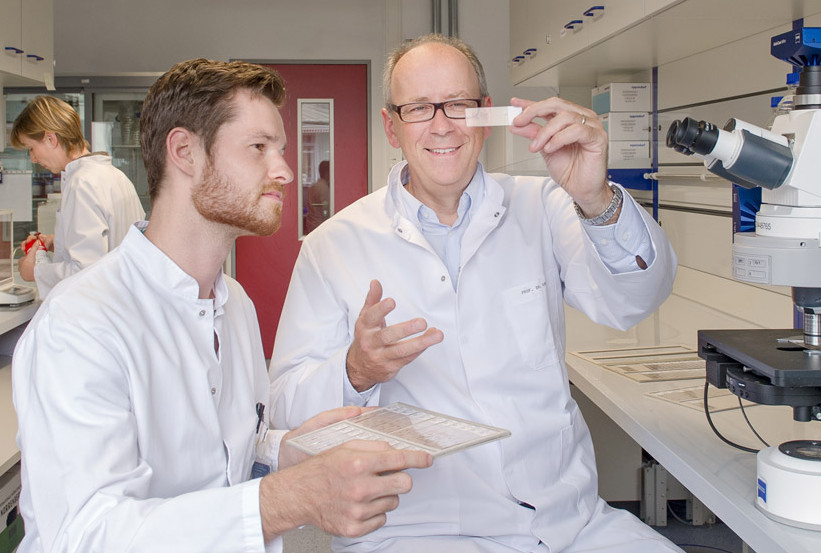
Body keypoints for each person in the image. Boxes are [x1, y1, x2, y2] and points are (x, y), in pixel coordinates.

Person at [269, 34, 681, 552]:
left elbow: (632, 301)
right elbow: (285, 407)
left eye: (458, 105)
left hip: (567, 521)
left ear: (486, 114)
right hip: (416, 530)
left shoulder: (546, 204)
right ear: (390, 127)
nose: (441, 125)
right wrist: (355, 371)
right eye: (418, 108)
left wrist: (595, 197)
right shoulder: (335, 244)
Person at [11, 59, 432, 553]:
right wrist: (285, 499)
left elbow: (225, 456)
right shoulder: (81, 324)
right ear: (185, 151)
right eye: (258, 148)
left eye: (280, 148)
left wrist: (287, 449)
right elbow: (81, 536)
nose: (284, 170)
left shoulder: (234, 307)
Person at [11, 95, 144, 297]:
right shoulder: (115, 176)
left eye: (31, 148)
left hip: (100, 312)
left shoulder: (82, 183)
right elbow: (109, 243)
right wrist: (57, 241)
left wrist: (35, 272)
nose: (33, 158)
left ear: (50, 138)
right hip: (124, 304)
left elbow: (85, 272)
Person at [305, 159, 331, 233]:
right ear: (327, 173)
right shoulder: (324, 188)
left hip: (311, 224)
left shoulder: (313, 186)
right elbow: (325, 211)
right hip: (320, 225)